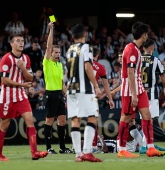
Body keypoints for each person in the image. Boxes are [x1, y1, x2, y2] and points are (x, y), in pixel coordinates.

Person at [0, 34, 48, 161]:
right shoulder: (6, 59)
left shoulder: (26, 58)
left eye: (23, 41)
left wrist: (23, 68)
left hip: (21, 95)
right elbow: (4, 80)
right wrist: (21, 84)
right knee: (4, 126)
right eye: (18, 41)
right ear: (11, 44)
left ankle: (34, 152)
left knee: (30, 121)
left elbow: (30, 78)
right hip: (7, 95)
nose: (21, 43)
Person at [117, 21, 164, 158]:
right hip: (130, 89)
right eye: (146, 34)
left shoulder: (135, 49)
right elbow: (130, 73)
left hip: (139, 87)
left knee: (147, 115)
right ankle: (121, 149)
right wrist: (134, 95)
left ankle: (150, 148)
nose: (147, 37)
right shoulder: (131, 49)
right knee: (126, 117)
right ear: (143, 36)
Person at [66, 23, 102, 162]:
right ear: (85, 34)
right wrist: (96, 86)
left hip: (71, 88)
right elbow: (88, 67)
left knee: (75, 120)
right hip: (84, 88)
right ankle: (87, 151)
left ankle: (78, 154)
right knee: (92, 117)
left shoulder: (69, 49)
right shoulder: (86, 47)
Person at [42, 22, 72, 154]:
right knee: (49, 120)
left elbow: (61, 83)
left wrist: (67, 95)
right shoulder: (47, 62)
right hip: (50, 94)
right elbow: (49, 46)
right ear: (51, 53)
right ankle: (48, 147)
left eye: (59, 52)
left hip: (59, 94)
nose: (57, 54)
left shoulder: (60, 65)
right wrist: (51, 29)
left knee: (62, 121)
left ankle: (62, 147)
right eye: (55, 52)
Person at [139, 39, 165, 153]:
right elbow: (163, 76)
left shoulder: (138, 60)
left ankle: (148, 145)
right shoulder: (156, 60)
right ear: (152, 48)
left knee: (145, 121)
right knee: (149, 120)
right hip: (152, 95)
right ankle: (147, 146)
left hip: (140, 94)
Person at [91, 46, 114, 153]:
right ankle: (93, 146)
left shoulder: (82, 64)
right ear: (98, 55)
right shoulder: (100, 67)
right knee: (93, 121)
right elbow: (106, 85)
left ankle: (79, 148)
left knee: (76, 121)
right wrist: (110, 99)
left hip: (78, 95)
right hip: (91, 96)